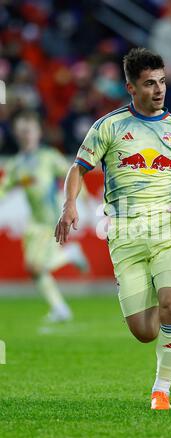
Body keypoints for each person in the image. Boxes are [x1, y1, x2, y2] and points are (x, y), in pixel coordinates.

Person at [55, 48, 171, 410]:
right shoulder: (109, 127)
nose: (158, 90)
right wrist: (69, 206)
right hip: (125, 235)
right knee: (145, 332)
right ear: (130, 87)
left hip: (167, 229)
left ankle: (162, 390)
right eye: (149, 84)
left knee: (170, 305)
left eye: (161, 82)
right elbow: (77, 169)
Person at [0, 110, 89, 322]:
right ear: (16, 133)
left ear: (38, 132)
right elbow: (4, 188)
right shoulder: (15, 165)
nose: (25, 135)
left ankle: (70, 254)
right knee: (33, 269)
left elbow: (72, 175)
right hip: (34, 224)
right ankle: (59, 308)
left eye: (29, 130)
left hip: (52, 220)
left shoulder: (48, 157)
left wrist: (80, 197)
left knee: (36, 266)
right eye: (21, 131)